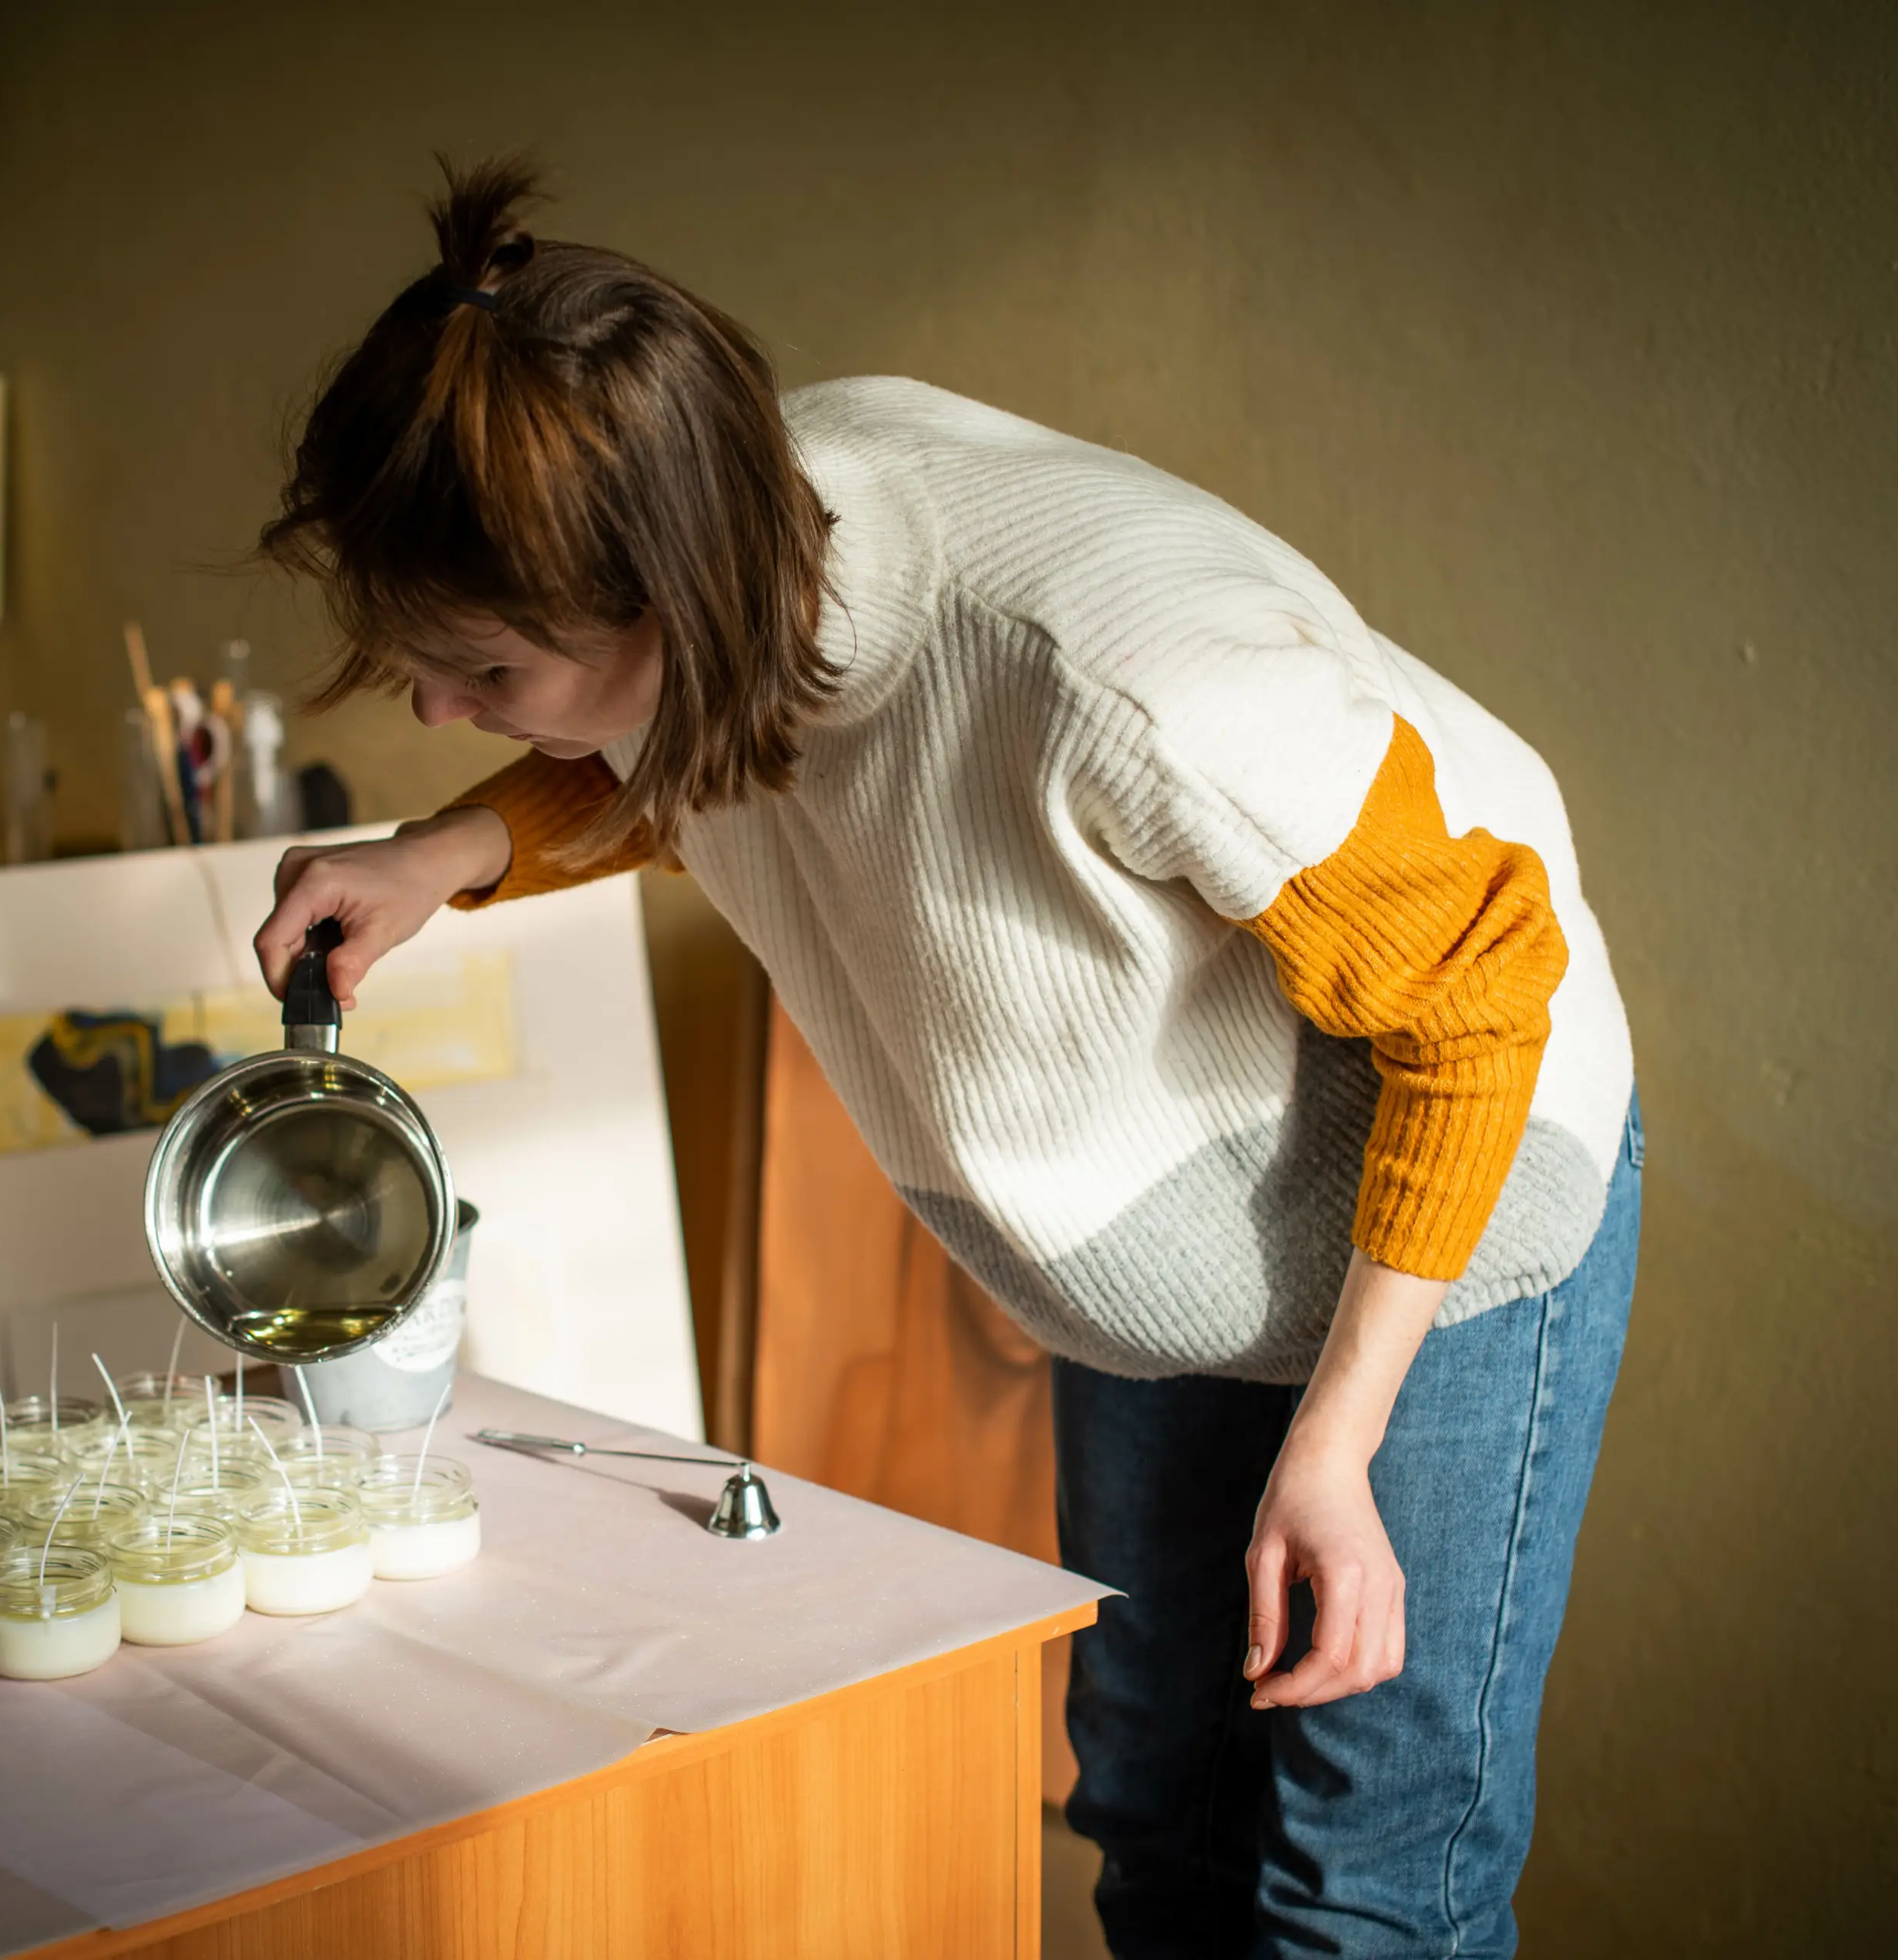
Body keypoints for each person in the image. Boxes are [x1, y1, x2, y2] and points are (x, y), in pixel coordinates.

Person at [250, 160, 1637, 1960]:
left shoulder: (1133, 680)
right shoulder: (737, 537)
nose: (436, 709)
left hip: (1446, 1202)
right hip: (1181, 1251)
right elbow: (690, 748)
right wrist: (444, 849)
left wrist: (1341, 1438)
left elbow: (1476, 990)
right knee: (1151, 1813)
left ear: (661, 595)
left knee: (1366, 1883)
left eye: (483, 673)